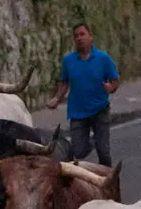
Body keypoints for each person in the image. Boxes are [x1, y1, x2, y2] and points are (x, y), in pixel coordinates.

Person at [46, 22, 120, 167]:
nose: (79, 38)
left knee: (104, 153)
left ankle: (108, 182)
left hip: (100, 109)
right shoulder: (68, 60)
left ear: (90, 37)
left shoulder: (103, 58)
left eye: (82, 34)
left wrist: (110, 88)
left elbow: (115, 80)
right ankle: (95, 141)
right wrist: (56, 99)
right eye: (76, 36)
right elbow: (65, 83)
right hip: (78, 112)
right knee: (78, 152)